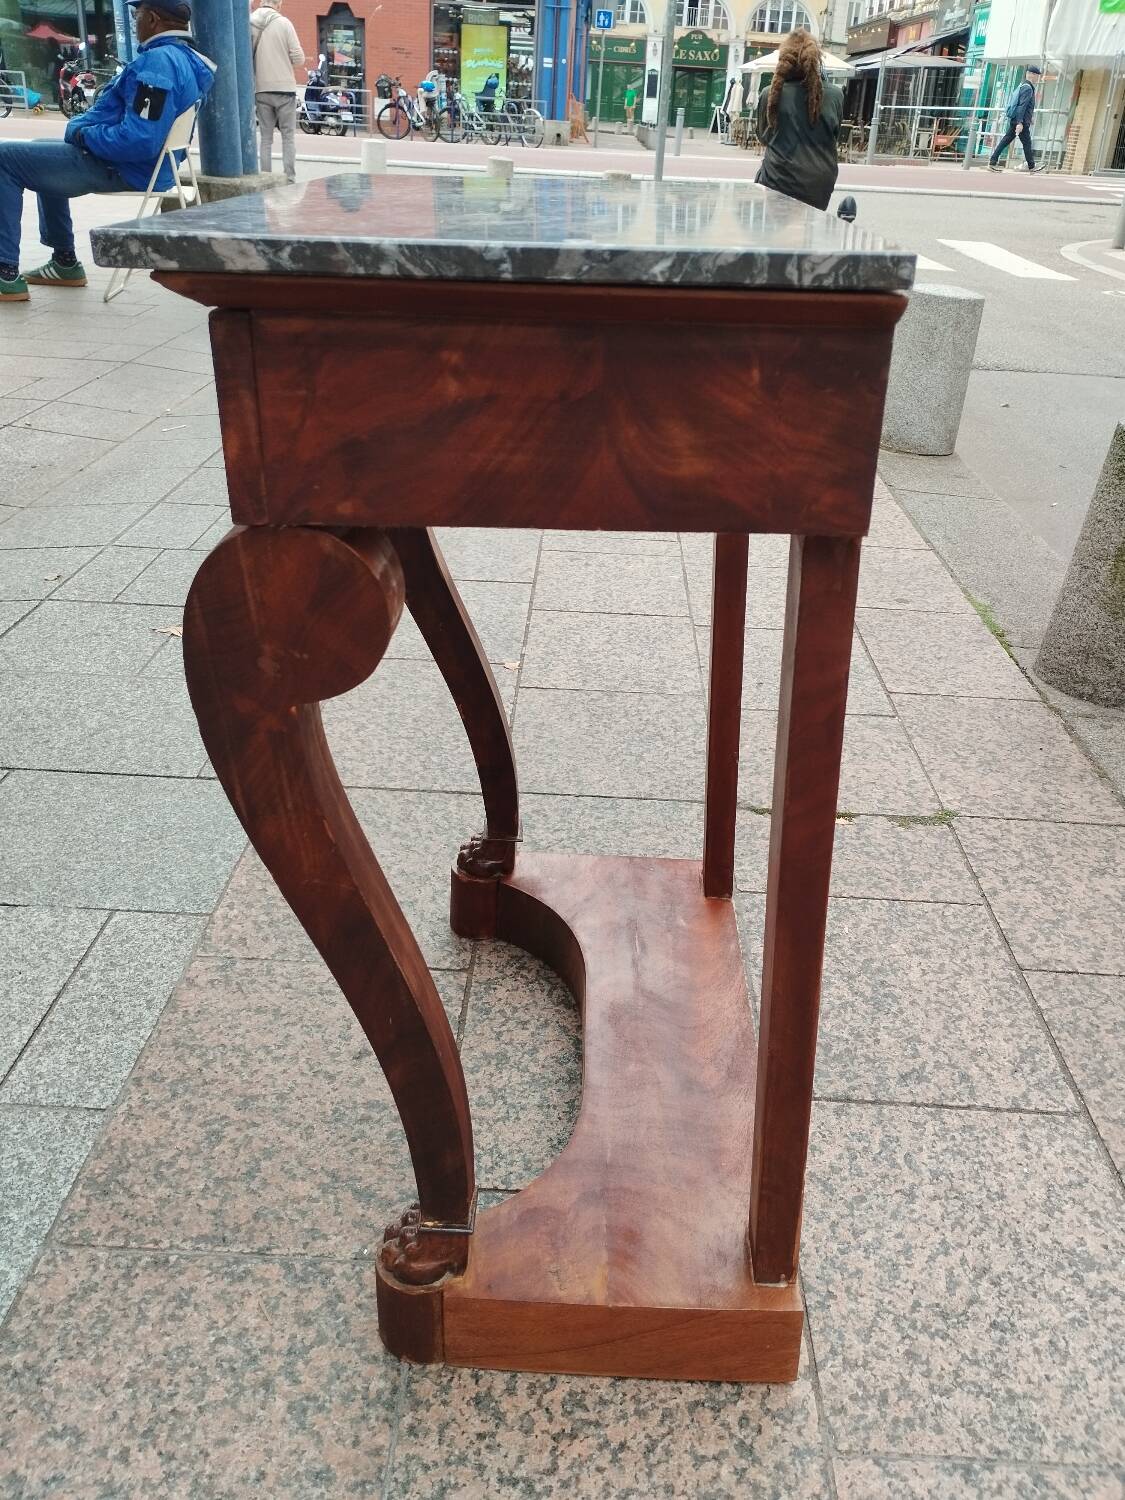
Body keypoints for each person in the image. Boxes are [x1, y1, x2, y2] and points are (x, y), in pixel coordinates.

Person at [0, 1, 214, 304]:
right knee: (37, 150)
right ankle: (64, 262)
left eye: (136, 15)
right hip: (137, 165)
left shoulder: (158, 64)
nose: (135, 21)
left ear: (152, 18)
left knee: (4, 157)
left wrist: (87, 136)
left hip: (121, 166)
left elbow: (140, 139)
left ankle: (5, 272)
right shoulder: (184, 58)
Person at [754, 28, 843, 213]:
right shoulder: (835, 95)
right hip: (819, 182)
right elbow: (835, 135)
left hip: (778, 178)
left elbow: (763, 137)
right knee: (806, 228)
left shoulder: (769, 94)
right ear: (816, 60)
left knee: (775, 229)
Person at [251, 0, 304, 185]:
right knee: (288, 136)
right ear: (278, 4)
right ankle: (289, 177)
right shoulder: (285, 23)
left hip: (261, 89)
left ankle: (266, 177)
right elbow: (299, 58)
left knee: (265, 138)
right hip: (285, 88)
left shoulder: (250, 23)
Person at [989, 64, 1041, 174]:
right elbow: (1022, 106)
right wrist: (1020, 122)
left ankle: (992, 162)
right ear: (1030, 74)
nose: (1038, 78)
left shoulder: (1023, 85)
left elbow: (1023, 106)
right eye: (1037, 75)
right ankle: (1032, 166)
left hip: (1018, 119)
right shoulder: (1028, 88)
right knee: (1026, 142)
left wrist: (1027, 118)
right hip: (1020, 121)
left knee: (1006, 140)